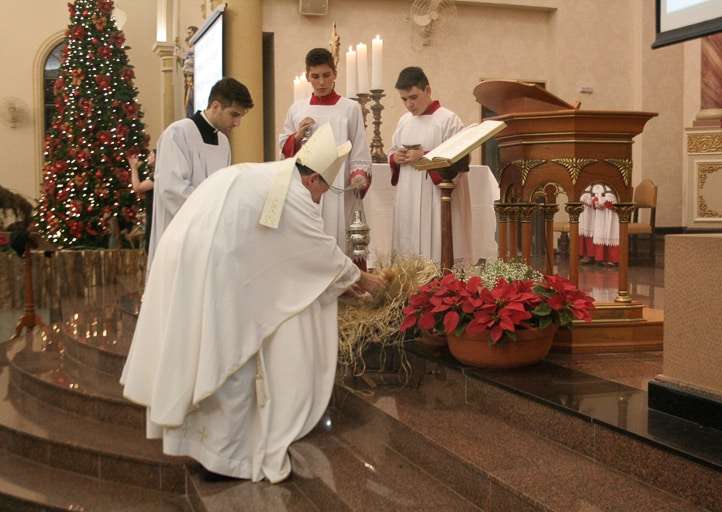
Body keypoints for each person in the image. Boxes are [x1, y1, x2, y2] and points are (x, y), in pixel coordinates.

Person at [121, 124, 386, 483]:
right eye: (323, 189)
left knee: (199, 348)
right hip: (213, 264)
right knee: (231, 354)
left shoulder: (269, 176)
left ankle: (200, 448)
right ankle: (225, 459)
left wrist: (344, 281)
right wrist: (363, 279)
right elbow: (318, 250)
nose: (320, 199)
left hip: (188, 254)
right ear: (311, 179)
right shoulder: (292, 193)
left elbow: (294, 251)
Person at [149, 77, 253, 271]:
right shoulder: (178, 133)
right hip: (181, 235)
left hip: (210, 236)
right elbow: (171, 190)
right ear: (215, 106)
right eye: (234, 115)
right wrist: (214, 212)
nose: (238, 123)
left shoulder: (223, 142)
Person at [279, 48, 371, 249]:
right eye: (315, 76)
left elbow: (359, 148)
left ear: (335, 74)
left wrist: (358, 174)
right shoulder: (297, 109)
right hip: (305, 188)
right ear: (307, 76)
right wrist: (296, 137)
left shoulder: (350, 108)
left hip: (339, 187)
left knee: (338, 238)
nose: (321, 82)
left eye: (326, 75)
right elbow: (284, 148)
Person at [388, 66, 473, 265]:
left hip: (435, 197)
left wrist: (425, 156)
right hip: (408, 196)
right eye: (404, 99)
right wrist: (395, 158)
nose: (409, 104)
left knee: (435, 245)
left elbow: (460, 160)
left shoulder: (448, 120)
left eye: (413, 97)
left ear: (427, 90)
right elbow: (392, 150)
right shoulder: (404, 121)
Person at [127, 149, 155, 252]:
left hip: (153, 215)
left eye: (151, 155)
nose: (148, 158)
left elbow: (137, 187)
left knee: (151, 246)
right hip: (150, 213)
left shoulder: (157, 176)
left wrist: (133, 168)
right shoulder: (153, 175)